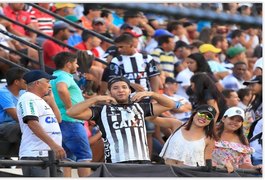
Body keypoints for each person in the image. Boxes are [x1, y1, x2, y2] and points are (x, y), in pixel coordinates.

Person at [67, 76, 175, 163]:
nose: (120, 90)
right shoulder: (101, 110)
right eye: (115, 88)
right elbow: (71, 112)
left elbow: (170, 104)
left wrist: (150, 93)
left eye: (124, 87)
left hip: (142, 161)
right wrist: (96, 99)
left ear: (129, 90)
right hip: (115, 162)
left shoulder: (140, 107)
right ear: (109, 92)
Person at [50, 51, 92, 177]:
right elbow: (61, 89)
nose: (77, 66)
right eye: (76, 63)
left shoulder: (54, 75)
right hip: (71, 121)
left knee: (66, 159)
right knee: (85, 157)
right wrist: (71, 109)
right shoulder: (64, 76)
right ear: (68, 64)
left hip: (62, 121)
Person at [17, 70, 65, 177]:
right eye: (47, 82)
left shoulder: (40, 100)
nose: (50, 86)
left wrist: (52, 101)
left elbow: (58, 119)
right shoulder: (27, 98)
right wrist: (53, 145)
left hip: (50, 154)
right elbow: (32, 123)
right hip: (36, 154)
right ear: (37, 83)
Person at [151, 104, 217, 167]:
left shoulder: (209, 138)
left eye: (209, 116)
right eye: (201, 113)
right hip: (167, 171)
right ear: (194, 113)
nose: (204, 117)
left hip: (189, 174)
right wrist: (168, 105)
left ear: (210, 121)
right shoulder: (176, 124)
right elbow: (150, 118)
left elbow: (208, 159)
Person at [212, 107, 262, 174]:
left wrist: (255, 167)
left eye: (238, 121)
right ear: (223, 119)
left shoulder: (243, 139)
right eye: (231, 119)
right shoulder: (211, 133)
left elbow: (244, 163)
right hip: (209, 172)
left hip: (231, 175)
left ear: (241, 123)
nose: (234, 122)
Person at [0, 67, 26, 154]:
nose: (27, 82)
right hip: (3, 125)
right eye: (24, 80)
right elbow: (16, 116)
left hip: (14, 125)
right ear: (16, 82)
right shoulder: (3, 93)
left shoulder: (24, 93)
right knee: (27, 126)